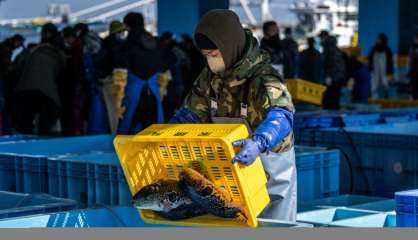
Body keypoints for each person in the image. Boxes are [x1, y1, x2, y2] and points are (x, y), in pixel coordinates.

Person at [169, 10, 296, 221]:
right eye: (206, 55)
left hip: (269, 167)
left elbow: (282, 116)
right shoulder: (210, 77)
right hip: (227, 168)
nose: (210, 61)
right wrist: (168, 133)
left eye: (214, 54)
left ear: (229, 47)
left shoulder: (264, 77)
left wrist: (259, 141)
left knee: (270, 223)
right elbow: (192, 112)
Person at [115, 12, 171, 134]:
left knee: (128, 125)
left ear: (128, 26)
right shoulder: (154, 41)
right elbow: (165, 64)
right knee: (153, 127)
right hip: (153, 90)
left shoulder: (127, 44)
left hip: (133, 91)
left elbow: (120, 66)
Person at [13, 23, 66, 135]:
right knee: (45, 125)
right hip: (47, 92)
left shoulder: (33, 50)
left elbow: (17, 66)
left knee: (25, 122)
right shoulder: (58, 53)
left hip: (25, 89)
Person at [320, 31, 346, 109]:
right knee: (334, 96)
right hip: (337, 76)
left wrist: (329, 76)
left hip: (334, 76)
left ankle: (332, 115)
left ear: (325, 37)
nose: (321, 40)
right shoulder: (332, 47)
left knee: (330, 98)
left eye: (321, 38)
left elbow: (331, 63)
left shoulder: (329, 48)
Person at [368, 33, 394, 99]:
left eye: (379, 39)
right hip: (375, 71)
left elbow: (390, 62)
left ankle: (385, 98)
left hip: (384, 72)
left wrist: (390, 71)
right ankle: (374, 99)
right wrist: (370, 68)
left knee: (385, 84)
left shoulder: (387, 50)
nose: (378, 41)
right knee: (374, 85)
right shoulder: (373, 49)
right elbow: (370, 60)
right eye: (378, 39)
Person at [408, 33, 418, 99]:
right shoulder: (412, 48)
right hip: (413, 71)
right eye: (416, 38)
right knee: (413, 86)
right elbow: (411, 60)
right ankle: (413, 98)